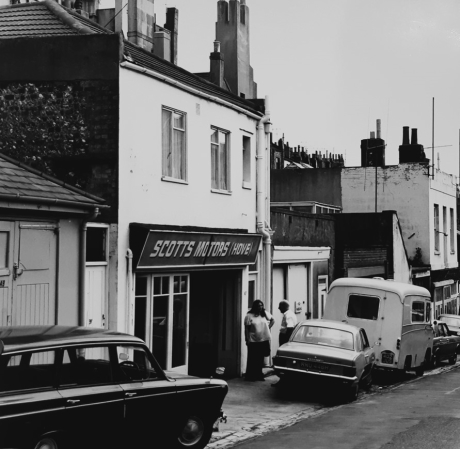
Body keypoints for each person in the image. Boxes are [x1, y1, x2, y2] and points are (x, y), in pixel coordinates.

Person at [244, 300, 274, 381]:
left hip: (263, 339)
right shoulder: (249, 316)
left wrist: (267, 328)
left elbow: (272, 320)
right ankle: (251, 376)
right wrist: (247, 339)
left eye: (261, 305)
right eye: (258, 306)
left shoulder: (264, 314)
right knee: (253, 358)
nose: (260, 307)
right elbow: (246, 328)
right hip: (253, 339)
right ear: (255, 307)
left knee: (260, 358)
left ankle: (259, 375)